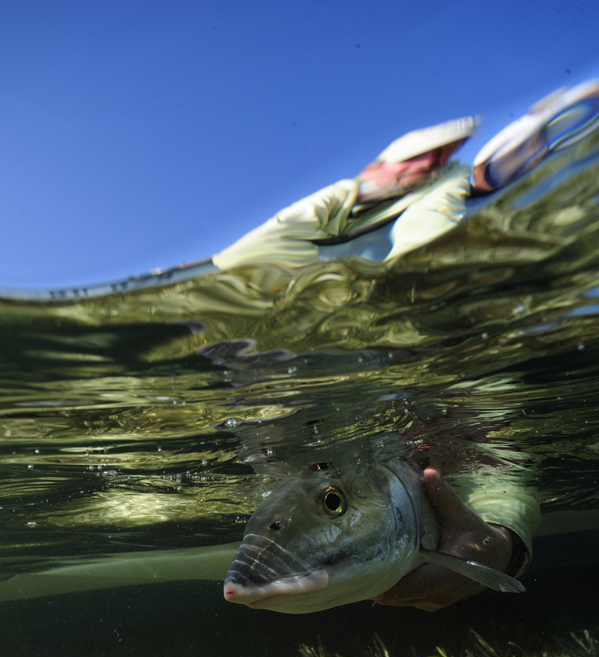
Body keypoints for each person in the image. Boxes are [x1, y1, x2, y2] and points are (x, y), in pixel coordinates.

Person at [211, 80, 599, 612]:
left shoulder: (420, 227)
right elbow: (238, 269)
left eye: (438, 160)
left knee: (436, 240)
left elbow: (496, 481)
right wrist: (503, 546)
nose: (423, 166)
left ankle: (543, 146)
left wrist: (502, 542)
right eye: (414, 160)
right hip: (341, 286)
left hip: (431, 296)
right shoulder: (305, 227)